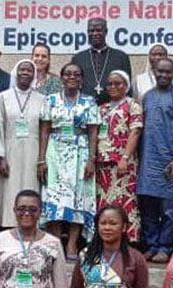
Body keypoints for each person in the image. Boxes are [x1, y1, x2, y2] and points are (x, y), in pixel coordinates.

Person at [38, 62, 100, 260]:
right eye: (67, 74)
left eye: (76, 74)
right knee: (54, 197)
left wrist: (91, 159)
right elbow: (45, 129)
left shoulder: (89, 102)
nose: (72, 77)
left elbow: (93, 131)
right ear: (62, 78)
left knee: (78, 198)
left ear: (81, 79)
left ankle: (72, 244)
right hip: (55, 151)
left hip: (80, 151)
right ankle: (56, 242)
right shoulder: (51, 99)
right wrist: (41, 159)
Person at [137, 58, 173, 263]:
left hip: (169, 161)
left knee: (168, 210)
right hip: (148, 160)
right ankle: (151, 245)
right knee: (148, 208)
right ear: (154, 71)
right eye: (160, 72)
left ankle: (165, 247)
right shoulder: (148, 97)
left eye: (168, 72)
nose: (163, 75)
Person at [95, 70, 143, 242]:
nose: (113, 87)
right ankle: (105, 239)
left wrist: (125, 158)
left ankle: (128, 240)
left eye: (118, 83)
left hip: (123, 163)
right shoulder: (102, 108)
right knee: (105, 202)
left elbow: (135, 131)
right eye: (110, 84)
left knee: (124, 200)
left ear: (126, 86)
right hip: (103, 164)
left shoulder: (132, 104)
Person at [0, 59, 44, 227]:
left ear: (34, 74)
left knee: (31, 186)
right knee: (10, 189)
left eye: (29, 70)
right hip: (11, 150)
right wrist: (1, 156)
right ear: (16, 72)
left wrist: (42, 159)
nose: (25, 73)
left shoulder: (42, 98)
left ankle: (31, 224)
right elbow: (0, 128)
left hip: (33, 150)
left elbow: (44, 129)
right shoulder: (3, 96)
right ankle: (9, 225)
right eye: (22, 69)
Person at [72, 17, 132, 105]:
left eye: (98, 30)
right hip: (84, 107)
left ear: (106, 32)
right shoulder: (78, 58)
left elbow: (128, 88)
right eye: (91, 31)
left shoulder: (121, 57)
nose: (95, 33)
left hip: (115, 107)